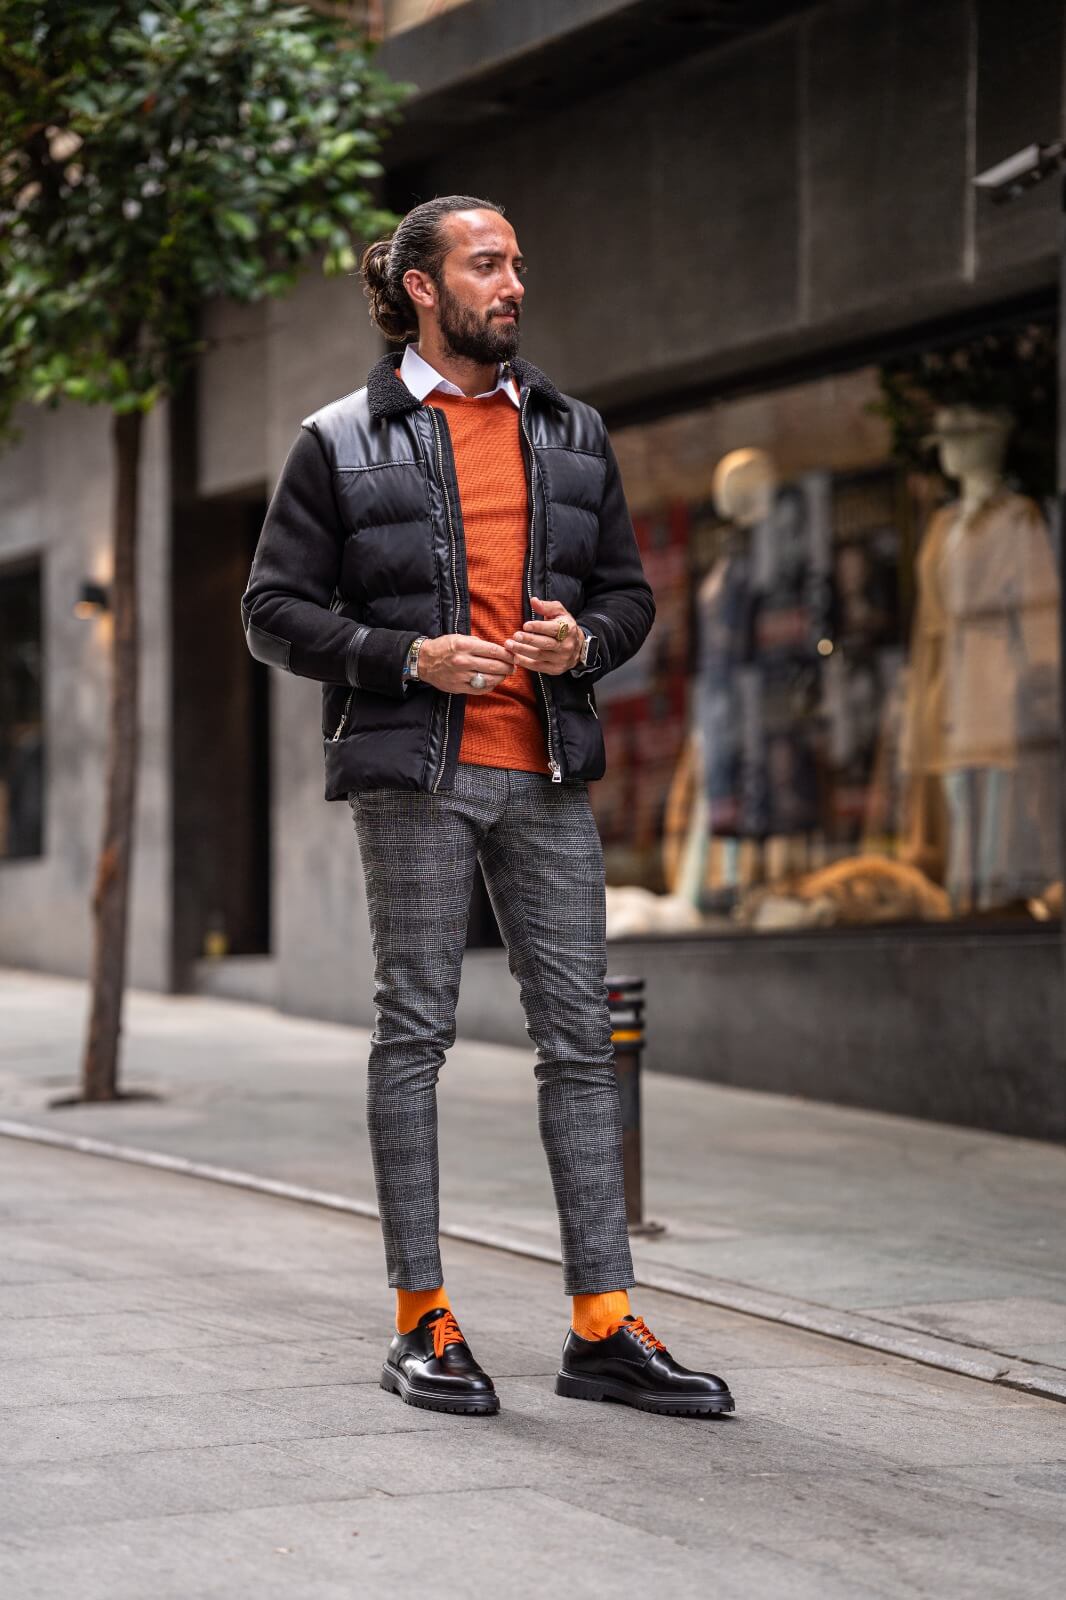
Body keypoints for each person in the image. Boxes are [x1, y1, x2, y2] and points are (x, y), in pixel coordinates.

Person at [241, 194, 734, 1420]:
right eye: (486, 263)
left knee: (578, 1040)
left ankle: (603, 1323)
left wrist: (585, 641)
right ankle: (421, 1318)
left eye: (517, 261)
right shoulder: (339, 439)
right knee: (415, 1031)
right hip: (417, 771)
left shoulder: (570, 429)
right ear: (421, 285)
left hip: (548, 769)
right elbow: (273, 611)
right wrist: (407, 657)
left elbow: (628, 593)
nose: (513, 282)